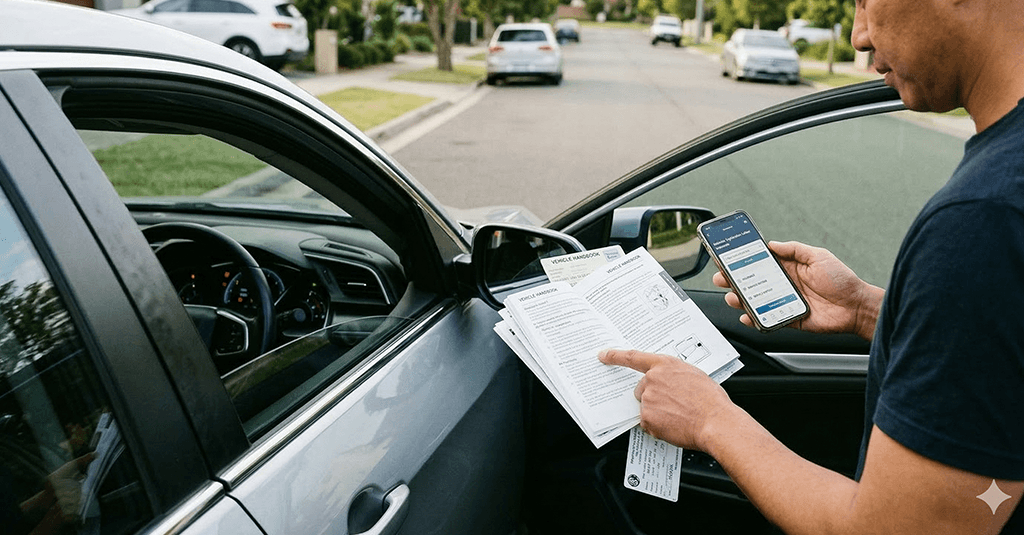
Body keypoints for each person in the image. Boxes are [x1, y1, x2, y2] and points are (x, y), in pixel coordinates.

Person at [598, 0, 1024, 533]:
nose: (858, 37)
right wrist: (872, 312)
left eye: (865, 1)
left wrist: (711, 420)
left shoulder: (984, 218)